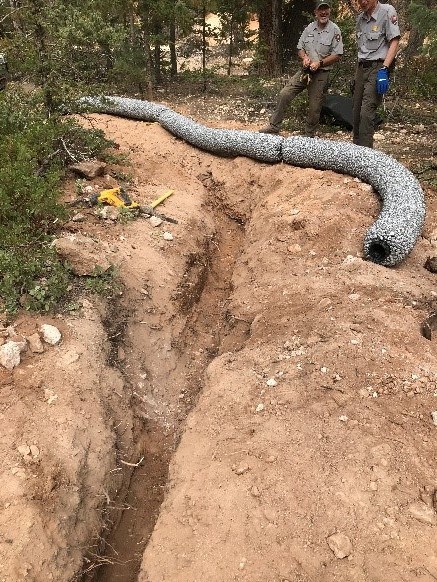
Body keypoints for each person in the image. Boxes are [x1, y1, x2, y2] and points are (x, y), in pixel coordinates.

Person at [259, 2, 343, 137]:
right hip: (305, 71)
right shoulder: (309, 28)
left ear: (330, 11)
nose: (323, 13)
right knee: (284, 94)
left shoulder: (335, 30)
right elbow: (300, 48)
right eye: (320, 10)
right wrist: (304, 57)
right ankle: (274, 126)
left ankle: (308, 135)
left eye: (326, 9)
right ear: (315, 12)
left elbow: (337, 55)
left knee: (314, 107)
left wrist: (320, 63)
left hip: (321, 73)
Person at [352, 0, 400, 148]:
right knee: (355, 112)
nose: (363, 1)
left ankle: (366, 157)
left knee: (366, 113)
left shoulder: (387, 11)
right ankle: (357, 150)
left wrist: (385, 69)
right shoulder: (360, 18)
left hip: (378, 67)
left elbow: (394, 41)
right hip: (361, 67)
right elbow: (362, 49)